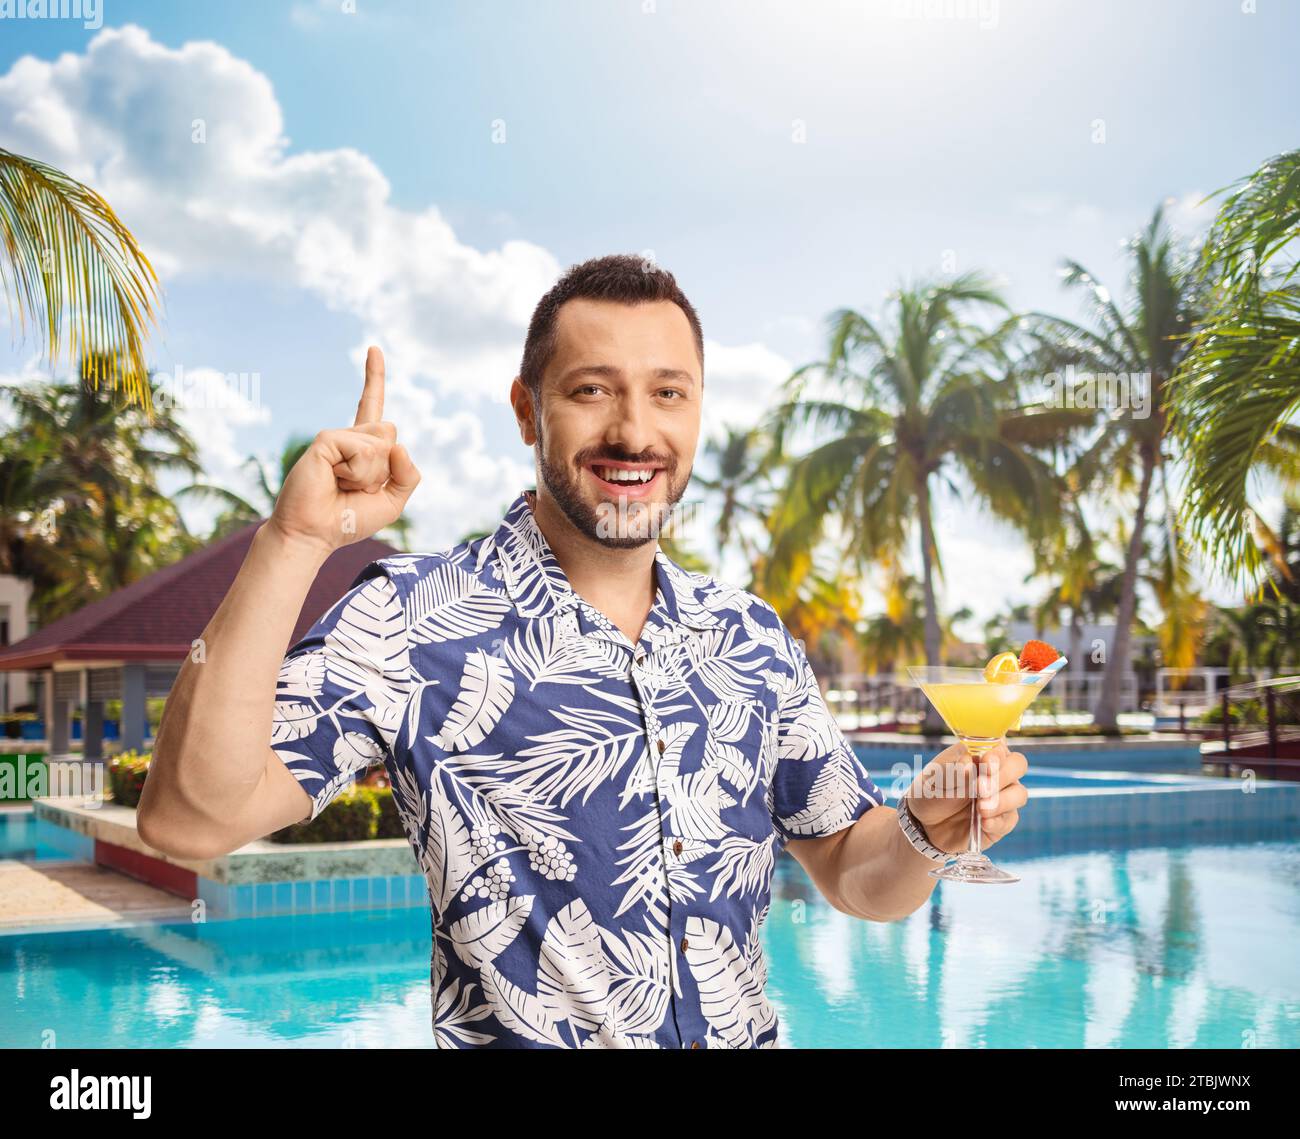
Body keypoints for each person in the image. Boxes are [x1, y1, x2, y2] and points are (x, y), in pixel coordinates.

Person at [138, 253, 1029, 1048]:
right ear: (528, 411)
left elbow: (852, 873)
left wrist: (921, 829)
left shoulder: (749, 636)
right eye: (592, 389)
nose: (636, 432)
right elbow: (188, 820)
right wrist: (296, 539)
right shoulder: (414, 618)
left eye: (668, 392)